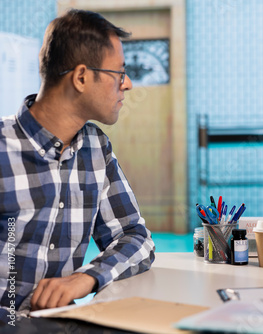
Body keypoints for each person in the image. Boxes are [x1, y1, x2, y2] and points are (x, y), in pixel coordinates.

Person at [0, 9, 155, 324]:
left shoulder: (96, 147)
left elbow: (134, 236)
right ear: (82, 77)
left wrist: (87, 277)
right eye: (119, 73)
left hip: (59, 323)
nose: (127, 85)